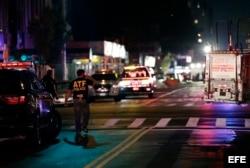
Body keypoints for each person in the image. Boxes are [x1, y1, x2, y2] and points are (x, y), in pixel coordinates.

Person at [64, 69, 96, 137]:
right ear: (83, 73)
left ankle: (78, 129)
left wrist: (66, 101)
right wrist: (88, 77)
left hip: (76, 100)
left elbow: (69, 92)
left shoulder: (73, 82)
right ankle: (84, 125)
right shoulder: (86, 81)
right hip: (84, 100)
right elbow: (95, 82)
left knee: (77, 116)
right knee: (86, 114)